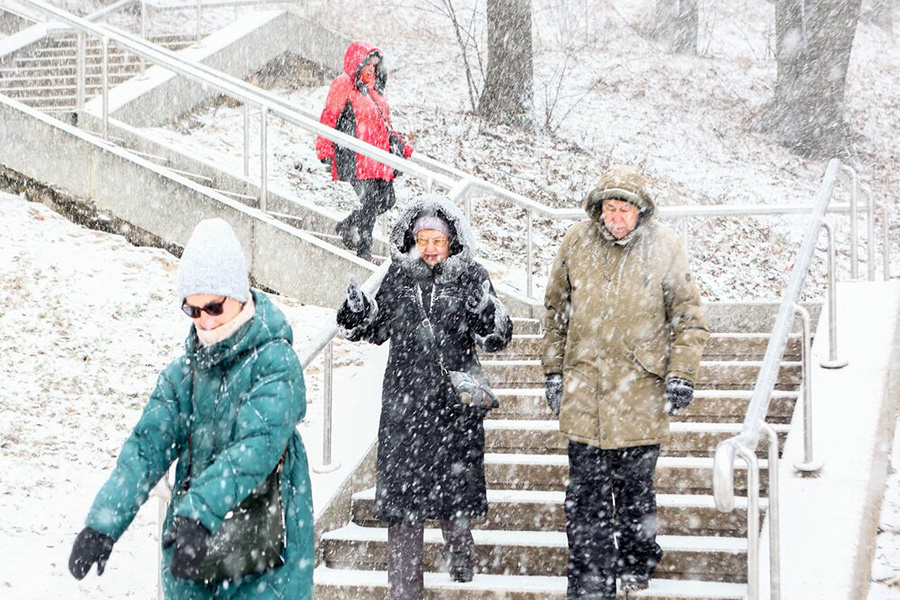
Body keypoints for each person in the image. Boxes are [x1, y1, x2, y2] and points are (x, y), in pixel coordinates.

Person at [68, 218, 314, 599]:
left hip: (266, 561)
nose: (205, 320)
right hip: (194, 557)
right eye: (193, 310)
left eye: (214, 306)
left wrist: (199, 512)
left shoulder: (276, 363)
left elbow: (255, 449)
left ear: (239, 294)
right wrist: (103, 523)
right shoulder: (183, 376)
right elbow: (145, 449)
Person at [542, 166, 709, 599]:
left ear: (640, 212)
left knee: (635, 494)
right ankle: (590, 583)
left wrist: (681, 373)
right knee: (585, 501)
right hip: (584, 393)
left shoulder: (666, 247)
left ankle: (637, 558)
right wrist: (554, 372)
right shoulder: (576, 242)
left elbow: (689, 320)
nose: (616, 218)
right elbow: (555, 312)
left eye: (625, 210)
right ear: (599, 210)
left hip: (640, 394)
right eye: (610, 209)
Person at [337, 194, 513, 599]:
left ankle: (461, 561)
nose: (430, 247)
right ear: (412, 240)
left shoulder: (473, 276)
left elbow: (498, 338)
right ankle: (403, 590)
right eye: (423, 238)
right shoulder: (398, 276)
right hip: (405, 407)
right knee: (403, 504)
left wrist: (486, 311)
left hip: (454, 407)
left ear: (452, 240)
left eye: (438, 239)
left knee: (455, 498)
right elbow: (374, 328)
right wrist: (357, 310)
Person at [316, 41, 414, 262]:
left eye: (375, 64)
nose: (371, 68)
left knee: (387, 199)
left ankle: (349, 224)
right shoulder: (344, 84)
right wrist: (324, 147)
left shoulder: (375, 92)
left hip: (378, 158)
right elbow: (329, 115)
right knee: (370, 200)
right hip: (355, 155)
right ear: (357, 62)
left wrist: (402, 147)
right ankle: (364, 248)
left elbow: (385, 125)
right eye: (368, 63)